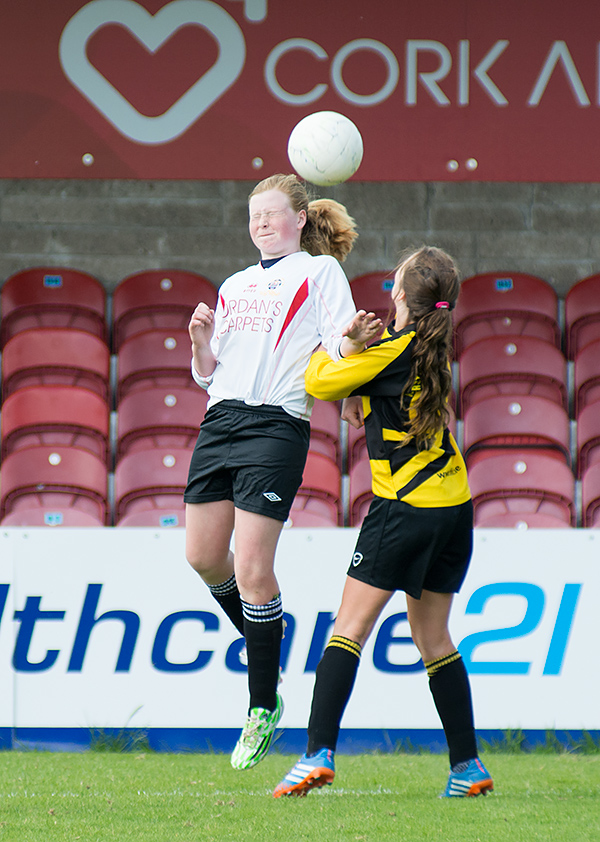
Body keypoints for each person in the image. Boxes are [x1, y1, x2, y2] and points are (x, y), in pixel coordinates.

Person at [273, 245, 494, 799]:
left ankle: (316, 754)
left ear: (400, 292)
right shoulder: (430, 347)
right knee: (435, 639)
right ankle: (467, 767)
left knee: (347, 629)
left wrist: (345, 351)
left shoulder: (394, 349)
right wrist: (360, 385)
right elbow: (379, 385)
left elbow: (318, 380)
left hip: (403, 508)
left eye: (396, 276)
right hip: (454, 507)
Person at [184, 173, 361, 771]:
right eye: (254, 215)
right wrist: (201, 342)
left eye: (273, 213)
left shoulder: (320, 272)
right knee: (202, 556)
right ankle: (266, 646)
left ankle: (261, 704)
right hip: (220, 420)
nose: (261, 223)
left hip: (276, 424)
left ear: (300, 219)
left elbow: (339, 347)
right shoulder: (234, 284)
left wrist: (355, 358)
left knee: (253, 569)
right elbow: (210, 373)